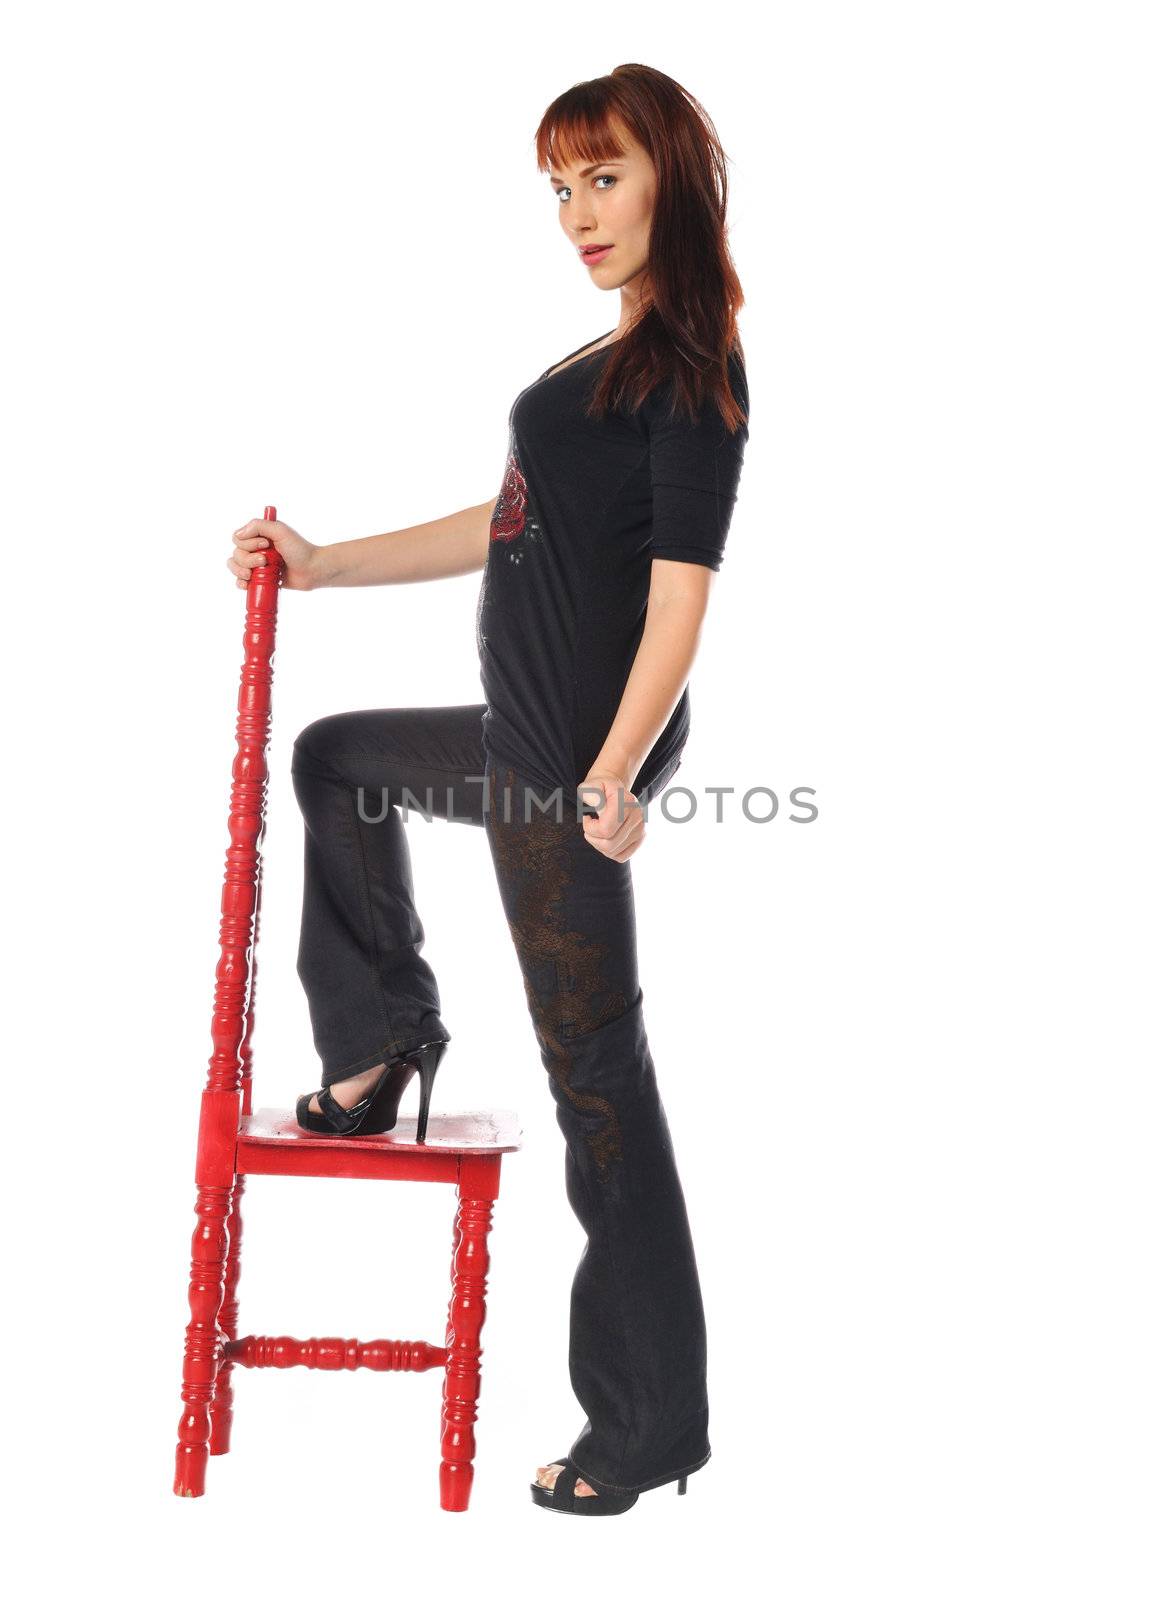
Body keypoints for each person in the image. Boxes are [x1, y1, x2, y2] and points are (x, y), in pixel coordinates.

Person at [225, 63, 749, 1517]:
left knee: (598, 1090)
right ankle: (385, 1040)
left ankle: (646, 1426)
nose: (578, 212)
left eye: (606, 176)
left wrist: (616, 771)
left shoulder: (696, 365)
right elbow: (507, 520)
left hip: (566, 763)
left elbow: (683, 597)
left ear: (674, 179)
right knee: (339, 760)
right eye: (561, 187)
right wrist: (327, 562)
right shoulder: (608, 363)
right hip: (520, 737)